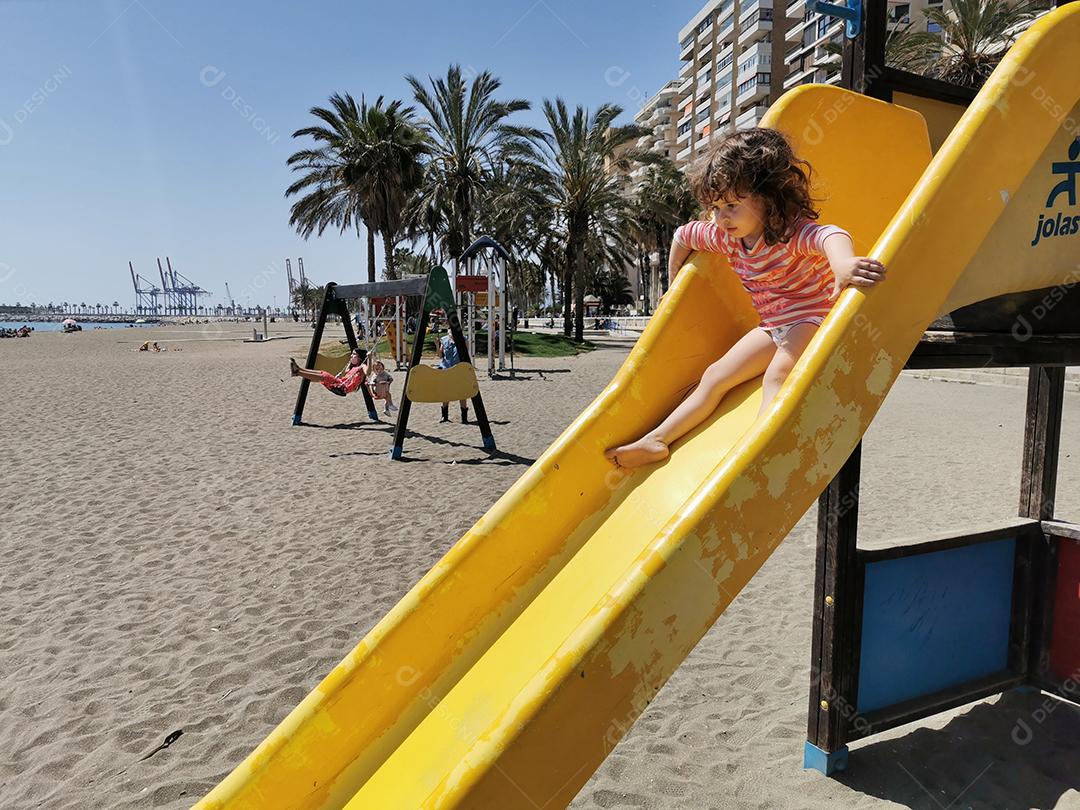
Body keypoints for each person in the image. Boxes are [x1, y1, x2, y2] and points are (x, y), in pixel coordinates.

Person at [605, 127, 887, 470]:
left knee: (777, 375)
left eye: (733, 206)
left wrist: (842, 264)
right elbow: (683, 236)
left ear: (768, 199)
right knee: (714, 375)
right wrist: (673, 283)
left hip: (813, 319)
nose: (722, 217)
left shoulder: (789, 234)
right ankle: (658, 439)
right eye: (716, 207)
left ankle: (761, 448)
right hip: (773, 326)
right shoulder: (726, 237)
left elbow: (830, 234)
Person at [289, 348, 368, 397]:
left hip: (343, 387)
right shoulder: (354, 367)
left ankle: (298, 373)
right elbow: (346, 371)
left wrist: (370, 358)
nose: (351, 355)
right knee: (322, 372)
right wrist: (350, 362)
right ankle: (299, 369)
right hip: (340, 383)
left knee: (325, 376)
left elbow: (368, 372)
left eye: (354, 354)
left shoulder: (362, 367)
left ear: (360, 358)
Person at [435, 330, 469, 423]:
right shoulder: (444, 340)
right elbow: (440, 355)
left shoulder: (463, 340)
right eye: (451, 334)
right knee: (446, 392)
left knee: (462, 392)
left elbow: (466, 354)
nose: (452, 336)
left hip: (459, 369)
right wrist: (437, 345)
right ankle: (444, 416)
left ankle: (464, 417)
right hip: (446, 368)